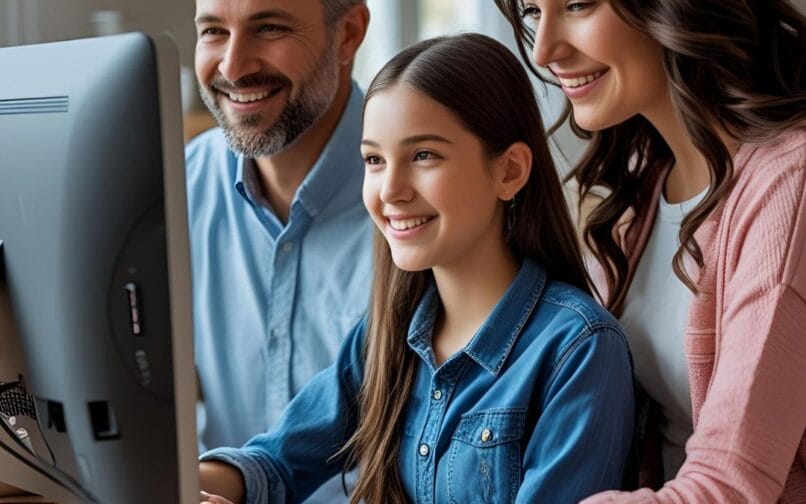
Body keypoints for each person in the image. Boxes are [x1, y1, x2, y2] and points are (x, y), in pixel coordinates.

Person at [196, 32, 635, 504]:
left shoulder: (578, 351)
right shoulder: (385, 335)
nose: (390, 190)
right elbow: (276, 462)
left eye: (423, 156)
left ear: (509, 171)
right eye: (374, 160)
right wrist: (185, 485)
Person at [495, 0, 806, 501]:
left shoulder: (790, 188)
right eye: (532, 11)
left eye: (576, 4)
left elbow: (731, 489)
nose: (545, 50)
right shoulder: (643, 174)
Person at [186, 0, 372, 502]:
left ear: (348, 34)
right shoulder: (176, 189)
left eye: (268, 27)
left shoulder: (420, 202)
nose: (232, 66)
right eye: (213, 32)